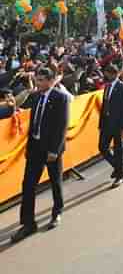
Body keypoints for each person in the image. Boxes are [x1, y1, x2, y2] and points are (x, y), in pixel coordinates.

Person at [11, 67, 70, 243]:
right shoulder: (36, 96)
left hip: (51, 149)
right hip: (35, 148)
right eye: (36, 80)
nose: (38, 83)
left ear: (51, 81)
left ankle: (57, 211)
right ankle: (28, 224)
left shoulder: (61, 98)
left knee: (55, 181)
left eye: (41, 80)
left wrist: (54, 150)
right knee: (28, 185)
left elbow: (62, 126)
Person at [98, 64, 123, 188]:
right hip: (106, 124)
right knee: (102, 147)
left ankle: (120, 176)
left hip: (118, 125)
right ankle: (118, 167)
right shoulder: (106, 87)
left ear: (114, 74)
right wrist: (101, 124)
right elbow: (104, 106)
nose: (105, 75)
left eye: (107, 73)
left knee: (118, 150)